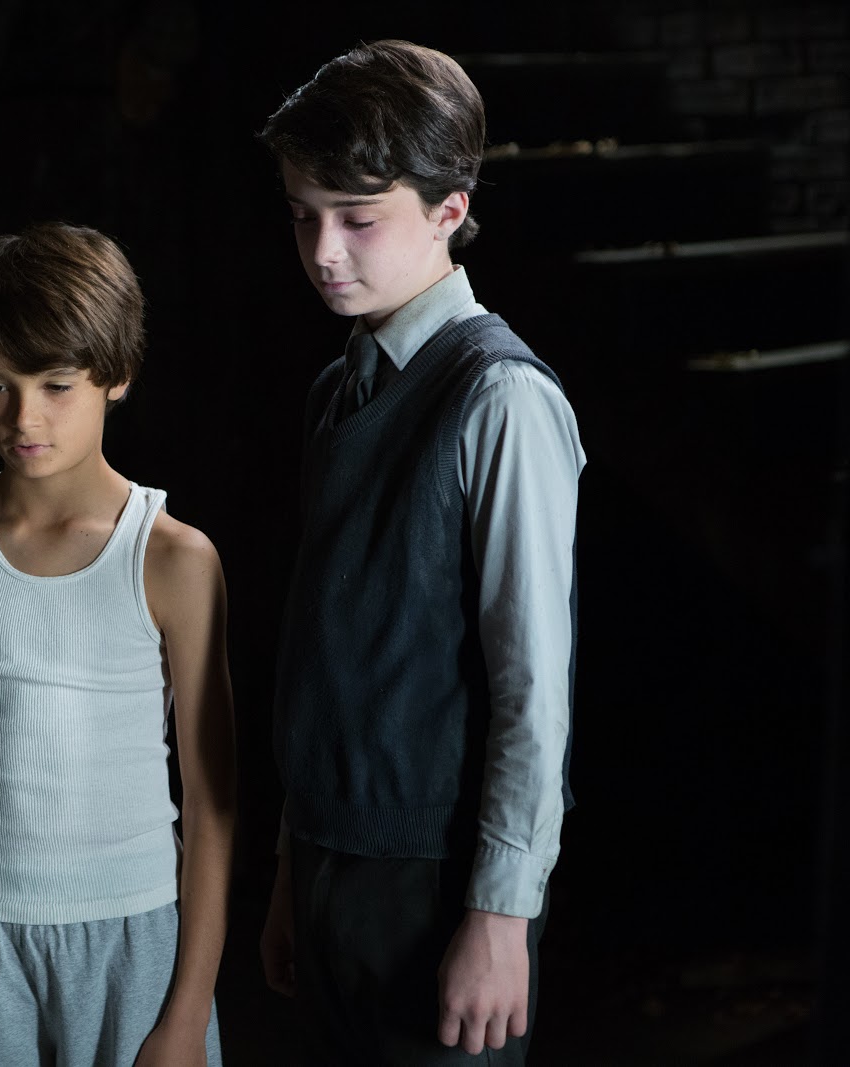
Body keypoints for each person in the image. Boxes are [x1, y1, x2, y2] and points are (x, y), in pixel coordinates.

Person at [255, 40, 585, 1064]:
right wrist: (292, 871)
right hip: (328, 863)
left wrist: (500, 914)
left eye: (358, 218)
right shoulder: (338, 388)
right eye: (303, 214)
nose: (324, 250)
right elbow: (327, 657)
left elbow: (533, 687)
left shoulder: (501, 397)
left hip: (436, 885)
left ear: (449, 209)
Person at [0, 222, 236, 1067]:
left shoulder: (173, 558)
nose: (23, 418)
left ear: (117, 375)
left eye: (56, 385)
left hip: (136, 940)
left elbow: (213, 801)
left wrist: (187, 1014)